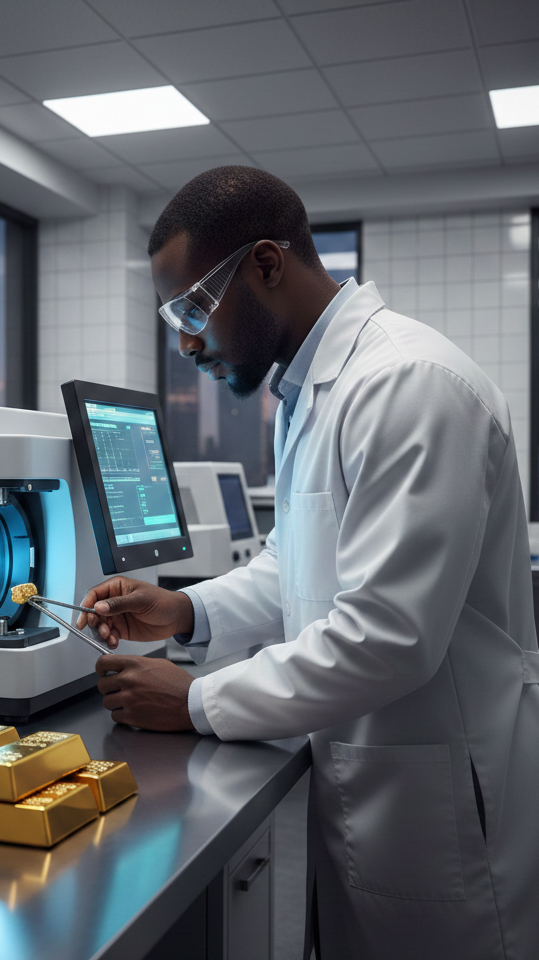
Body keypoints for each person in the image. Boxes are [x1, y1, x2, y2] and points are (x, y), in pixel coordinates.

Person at [78, 166, 539, 960]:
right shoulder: (311, 394)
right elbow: (295, 562)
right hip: (381, 790)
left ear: (266, 263)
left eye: (194, 309)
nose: (186, 342)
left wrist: (195, 699)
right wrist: (186, 611)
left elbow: (388, 634)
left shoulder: (406, 384)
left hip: (444, 809)